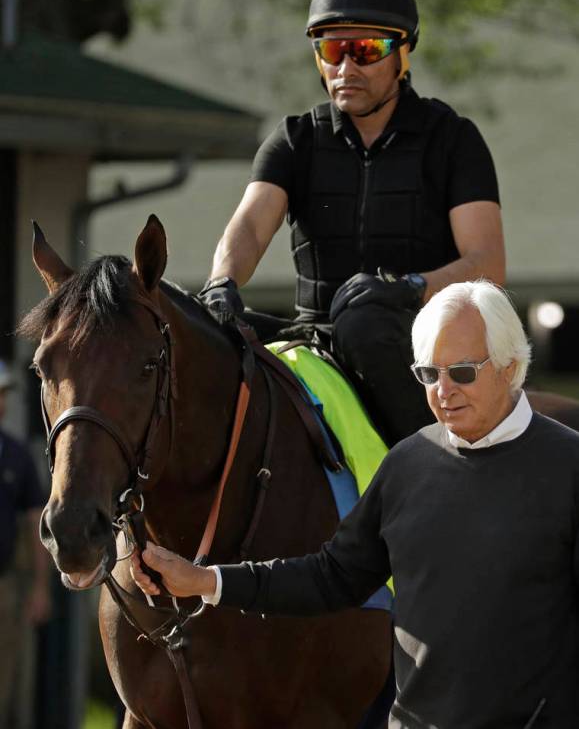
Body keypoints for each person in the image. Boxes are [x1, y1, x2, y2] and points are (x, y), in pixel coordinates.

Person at [132, 281, 579, 728]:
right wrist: (206, 581)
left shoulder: (568, 467)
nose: (443, 391)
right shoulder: (407, 463)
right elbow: (332, 577)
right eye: (428, 374)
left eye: (461, 372)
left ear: (510, 366)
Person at [198, 0, 505, 447]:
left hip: (424, 337)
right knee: (197, 331)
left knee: (362, 323)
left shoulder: (454, 139)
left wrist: (409, 286)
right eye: (330, 49)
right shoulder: (295, 138)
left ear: (403, 53)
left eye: (364, 50)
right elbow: (252, 226)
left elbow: (488, 264)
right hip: (317, 339)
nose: (345, 67)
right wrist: (220, 285)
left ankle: (447, 465)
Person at [0, 360, 50, 729]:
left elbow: (36, 523)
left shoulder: (16, 455)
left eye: (4, 394)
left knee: (5, 676)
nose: (3, 402)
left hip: (4, 587)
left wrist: (39, 587)